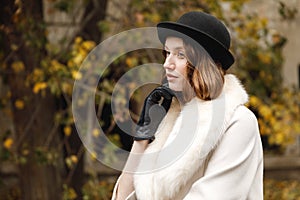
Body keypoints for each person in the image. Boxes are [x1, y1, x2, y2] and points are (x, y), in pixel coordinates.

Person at [111, 11, 263, 200]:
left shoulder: (239, 122)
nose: (167, 64)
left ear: (204, 63)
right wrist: (142, 138)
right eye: (167, 53)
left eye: (180, 55)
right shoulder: (169, 122)